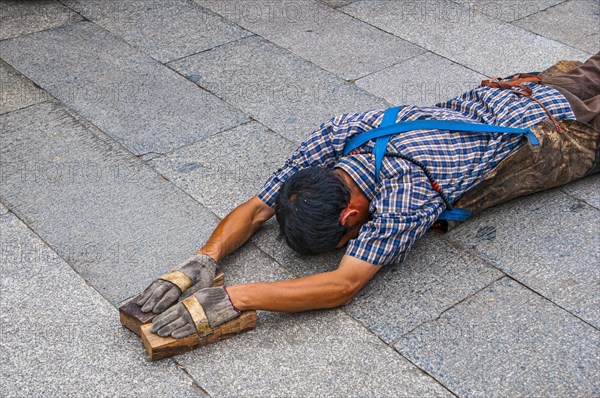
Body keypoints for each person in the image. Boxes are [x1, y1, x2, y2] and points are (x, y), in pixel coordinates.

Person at [138, 53, 599, 339]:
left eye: (347, 238)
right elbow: (259, 206)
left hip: (568, 131)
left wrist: (237, 298)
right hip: (530, 92)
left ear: (350, 217)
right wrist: (202, 259)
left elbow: (342, 285)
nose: (354, 240)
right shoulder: (341, 132)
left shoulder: (407, 192)